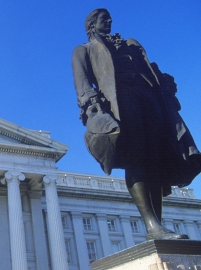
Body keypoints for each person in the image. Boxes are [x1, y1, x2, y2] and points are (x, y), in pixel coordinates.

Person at [71, 8, 201, 240]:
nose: (110, 20)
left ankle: (157, 227)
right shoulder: (84, 50)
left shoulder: (131, 46)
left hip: (150, 99)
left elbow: (151, 70)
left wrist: (165, 82)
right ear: (92, 24)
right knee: (136, 157)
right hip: (121, 100)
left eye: (109, 18)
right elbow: (82, 83)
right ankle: (152, 225)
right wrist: (92, 106)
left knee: (156, 161)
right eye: (104, 18)